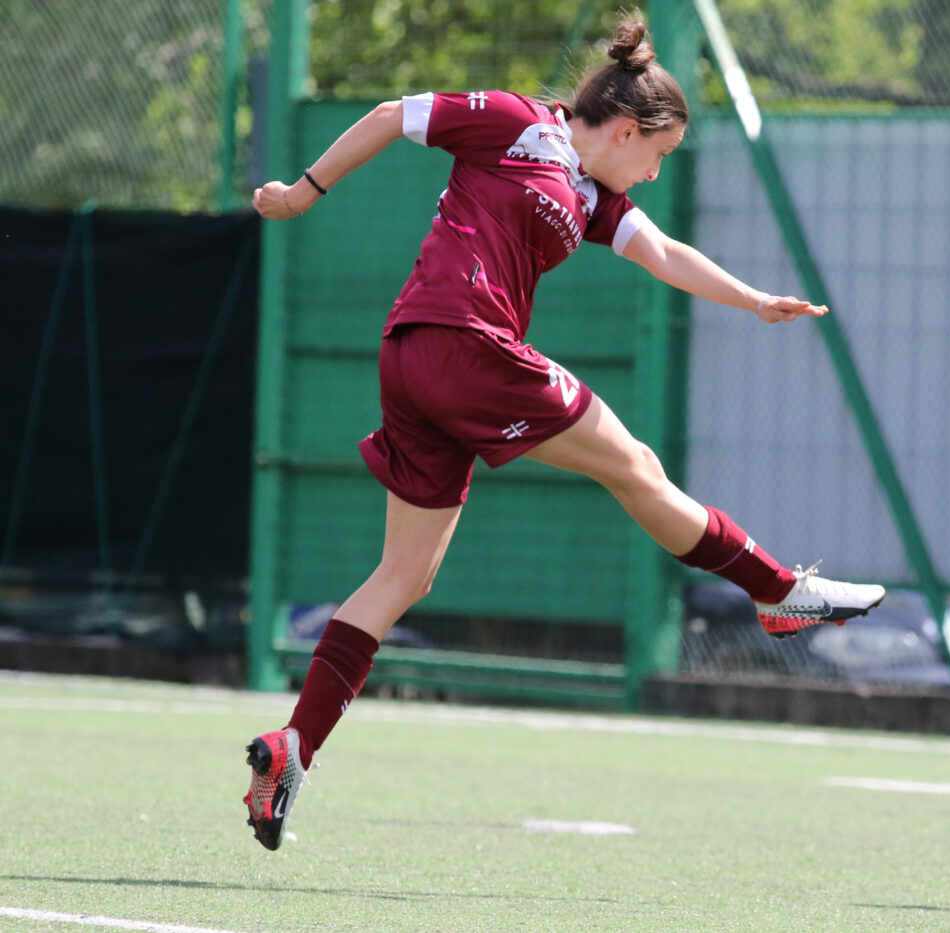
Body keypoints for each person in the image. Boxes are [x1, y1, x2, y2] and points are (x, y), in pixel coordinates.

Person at [241, 14, 884, 851]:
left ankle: (294, 747)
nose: (653, 174)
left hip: (416, 359)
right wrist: (303, 190)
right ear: (626, 129)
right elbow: (393, 114)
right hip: (462, 343)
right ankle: (775, 591)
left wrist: (756, 299)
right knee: (635, 465)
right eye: (657, 156)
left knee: (403, 575)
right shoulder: (516, 122)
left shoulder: (592, 195)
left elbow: (663, 253)